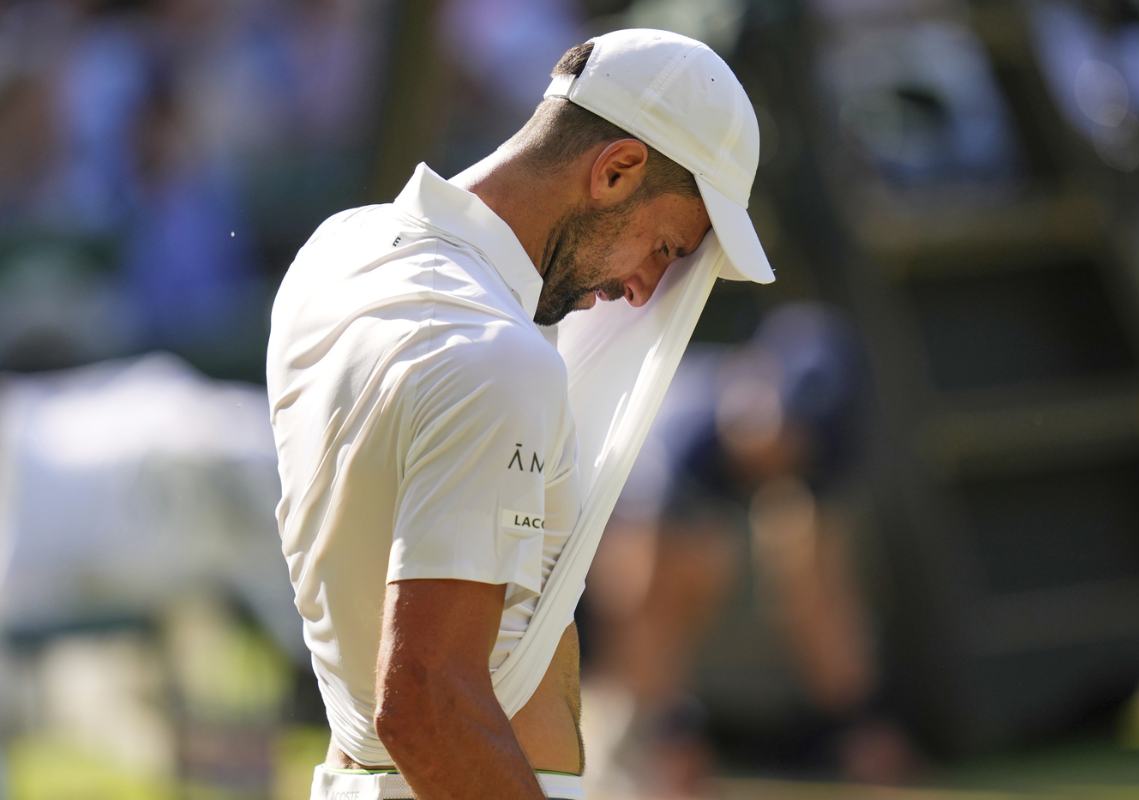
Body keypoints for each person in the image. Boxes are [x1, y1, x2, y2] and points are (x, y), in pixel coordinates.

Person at [266, 29, 773, 800]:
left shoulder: (338, 250)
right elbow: (429, 705)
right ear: (617, 170)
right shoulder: (496, 359)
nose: (643, 289)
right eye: (665, 247)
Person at [584, 306, 918, 797]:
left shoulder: (811, 445)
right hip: (573, 601)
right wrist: (670, 730)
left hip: (657, 561)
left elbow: (818, 596)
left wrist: (861, 726)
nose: (794, 458)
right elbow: (636, 609)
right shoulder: (676, 431)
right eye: (791, 438)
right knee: (693, 571)